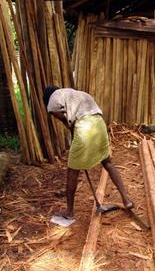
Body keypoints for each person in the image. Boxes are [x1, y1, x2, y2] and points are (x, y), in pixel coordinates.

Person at [43, 86, 133, 218]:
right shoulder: (75, 94)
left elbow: (61, 118)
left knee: (72, 171)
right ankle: (126, 199)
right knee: (107, 162)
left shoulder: (52, 99)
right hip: (99, 124)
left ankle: (69, 211)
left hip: (84, 126)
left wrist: (71, 128)